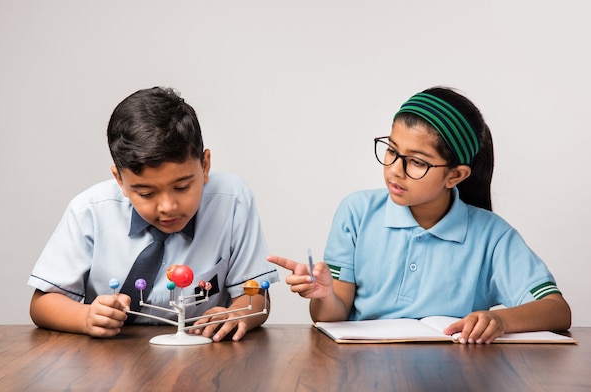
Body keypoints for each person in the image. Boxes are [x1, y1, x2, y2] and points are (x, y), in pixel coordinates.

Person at [268, 86, 571, 344]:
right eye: (391, 151)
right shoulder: (357, 213)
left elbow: (558, 311)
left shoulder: (492, 236)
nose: (395, 170)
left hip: (456, 378)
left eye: (416, 162)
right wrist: (323, 294)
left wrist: (499, 320)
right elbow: (332, 316)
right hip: (361, 372)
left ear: (455, 175)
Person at [29, 86, 278, 342]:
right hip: (110, 360)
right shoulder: (89, 210)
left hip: (202, 352)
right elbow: (42, 304)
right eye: (146, 193)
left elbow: (257, 296)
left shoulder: (232, 200)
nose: (168, 206)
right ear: (120, 180)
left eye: (182, 187)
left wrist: (238, 313)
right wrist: (85, 317)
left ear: (205, 165)